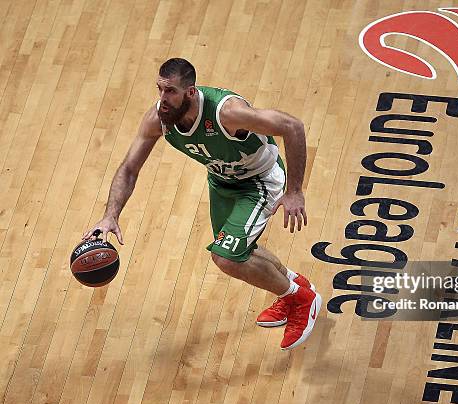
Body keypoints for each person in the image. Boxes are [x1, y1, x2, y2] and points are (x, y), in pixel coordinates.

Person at [83, 58, 321, 350]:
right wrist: (110, 215)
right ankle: (295, 286)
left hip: (259, 181)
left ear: (191, 92)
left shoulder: (228, 113)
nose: (162, 99)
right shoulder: (158, 118)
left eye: (170, 91)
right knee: (238, 248)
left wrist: (295, 191)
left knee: (227, 257)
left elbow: (292, 126)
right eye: (159, 89)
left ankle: (301, 300)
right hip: (222, 182)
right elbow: (129, 168)